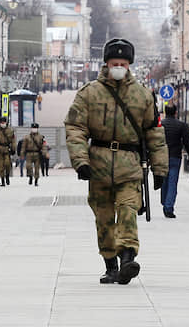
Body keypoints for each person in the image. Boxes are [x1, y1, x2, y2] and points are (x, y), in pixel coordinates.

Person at [64, 38, 167, 285]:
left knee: (128, 210)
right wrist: (81, 161)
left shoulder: (142, 95)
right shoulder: (89, 93)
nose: (118, 66)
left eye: (123, 63)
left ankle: (128, 258)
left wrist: (160, 168)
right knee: (104, 218)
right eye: (114, 63)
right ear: (107, 64)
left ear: (129, 65)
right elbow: (75, 127)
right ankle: (110, 265)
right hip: (98, 166)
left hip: (129, 166)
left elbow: (154, 132)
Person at [160, 104, 189, 217]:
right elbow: (188, 143)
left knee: (164, 181)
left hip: (162, 157)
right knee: (172, 182)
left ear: (165, 112)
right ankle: (168, 207)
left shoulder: (161, 125)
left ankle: (165, 201)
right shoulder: (181, 125)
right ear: (175, 113)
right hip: (175, 157)